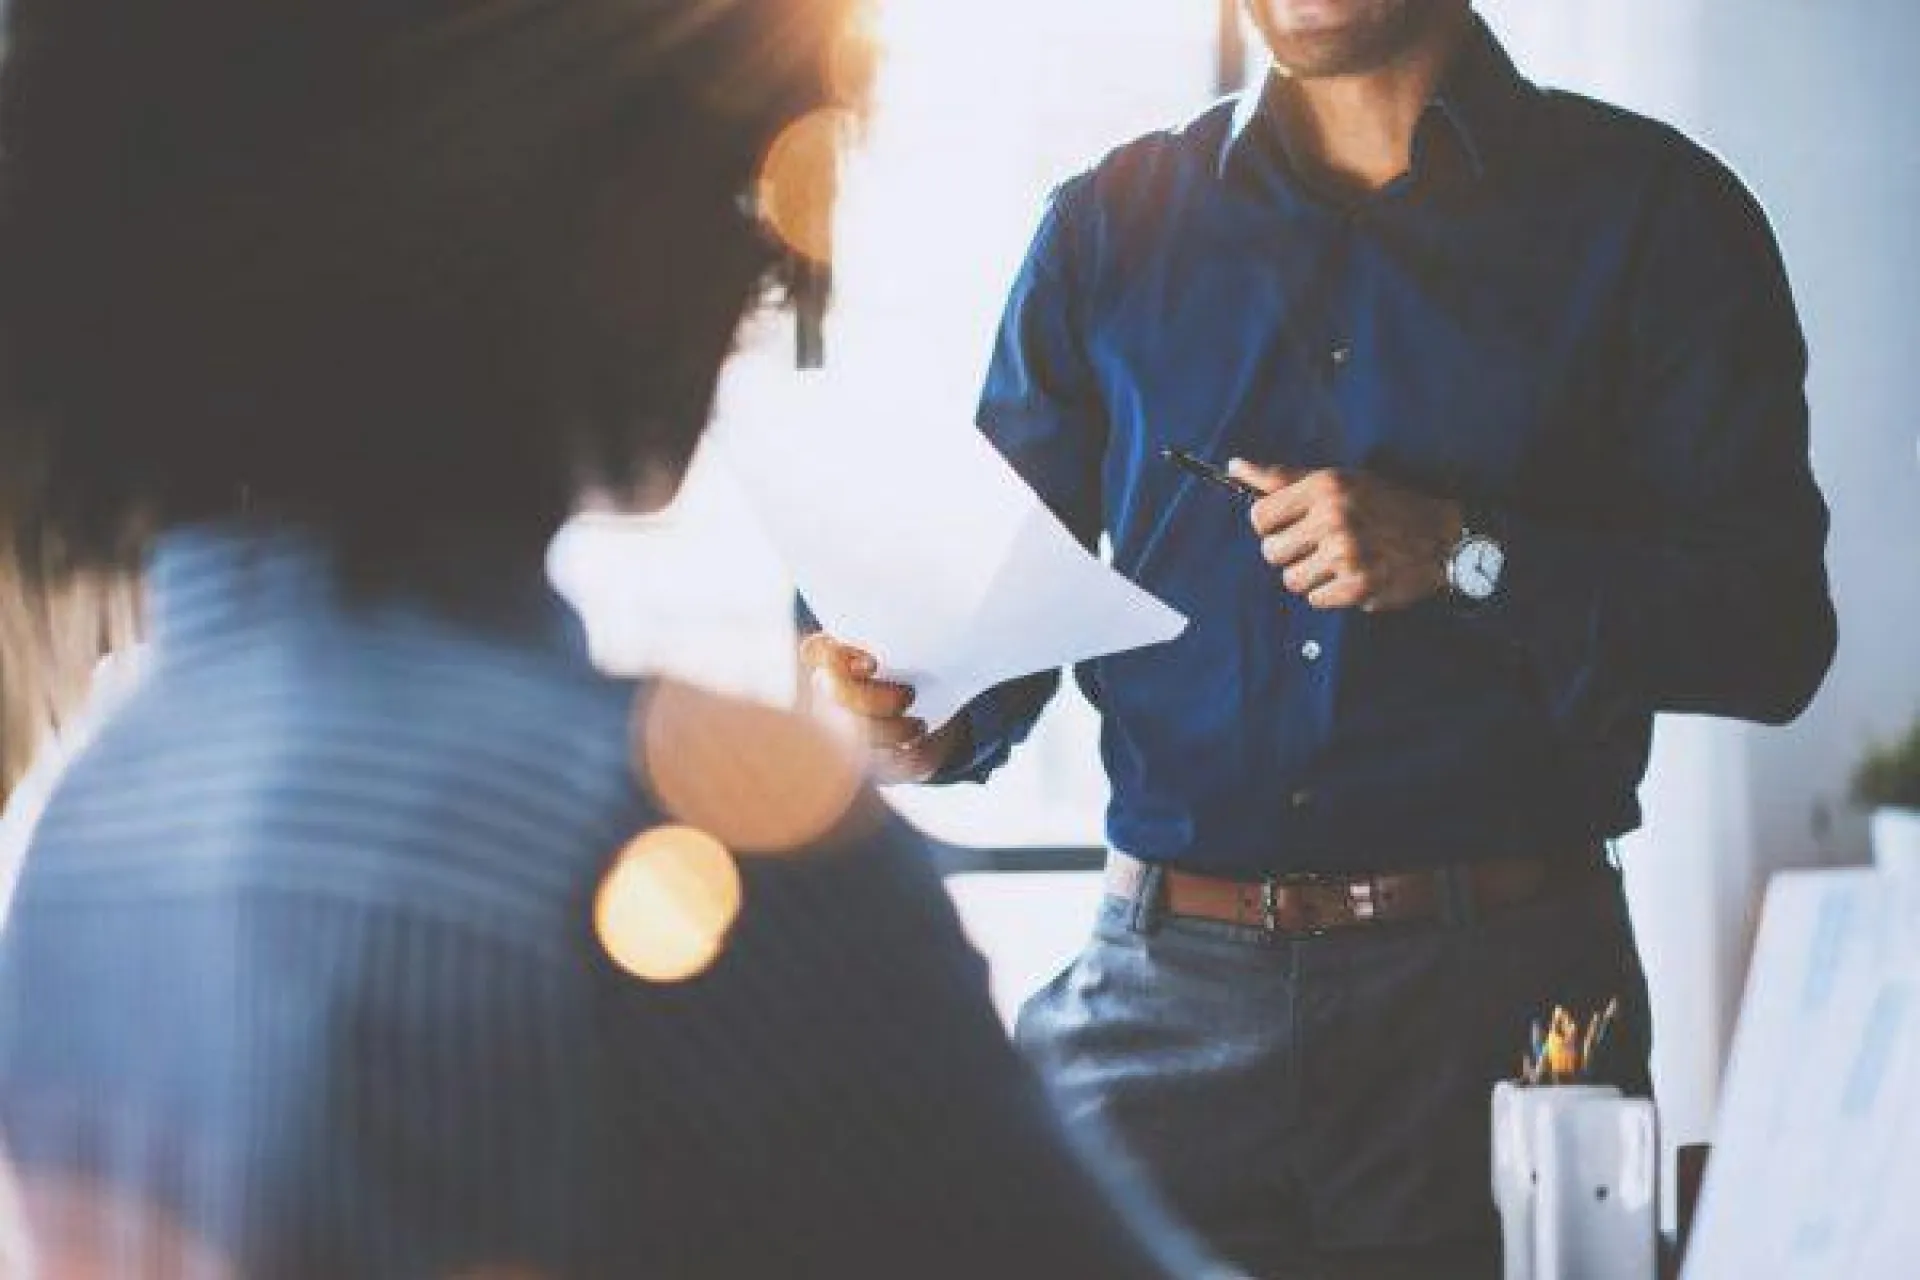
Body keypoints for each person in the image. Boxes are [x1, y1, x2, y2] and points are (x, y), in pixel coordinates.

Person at [0, 0, 1208, 1276]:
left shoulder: (93, 816)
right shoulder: (671, 838)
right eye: (744, 187)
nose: (769, 265)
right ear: (576, 204)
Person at [803, 0, 1837, 1275]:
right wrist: (903, 712)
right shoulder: (1104, 226)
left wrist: (1469, 552)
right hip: (1149, 1007)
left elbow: (1774, 637)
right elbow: (986, 630)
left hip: (1504, 1018)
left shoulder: (1658, 216)